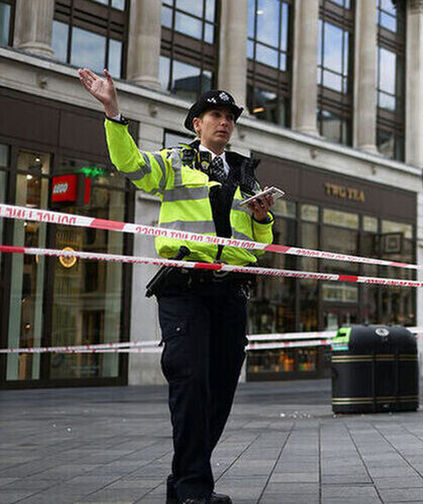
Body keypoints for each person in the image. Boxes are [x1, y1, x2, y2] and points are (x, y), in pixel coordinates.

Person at [78, 68, 275, 503]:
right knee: (189, 382)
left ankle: (183, 484)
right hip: (185, 288)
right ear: (196, 124)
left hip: (231, 292)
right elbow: (130, 164)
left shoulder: (246, 172)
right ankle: (192, 492)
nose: (224, 122)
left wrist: (262, 218)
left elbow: (261, 243)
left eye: (230, 116)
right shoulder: (173, 161)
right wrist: (113, 110)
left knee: (221, 390)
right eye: (214, 114)